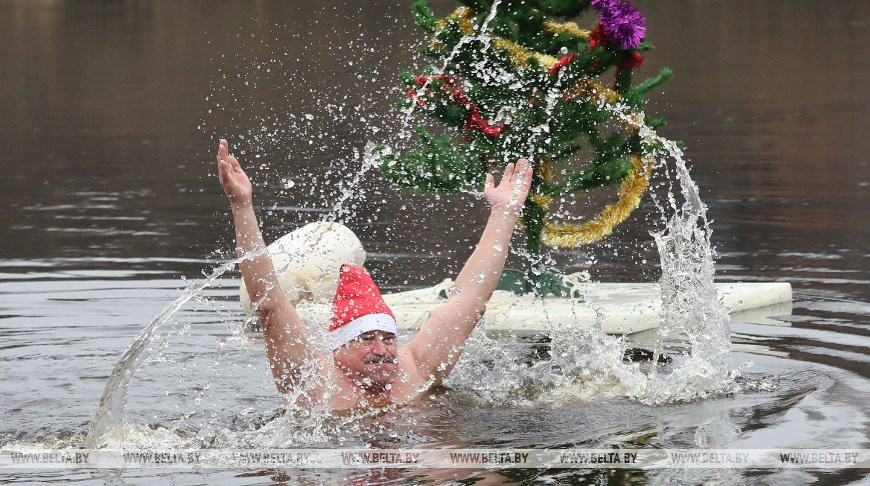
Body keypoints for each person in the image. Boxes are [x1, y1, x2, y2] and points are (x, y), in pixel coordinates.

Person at [216, 138, 532, 410]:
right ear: (338, 346)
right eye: (367, 339)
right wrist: (242, 206)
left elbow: (471, 297)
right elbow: (269, 304)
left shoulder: (416, 369)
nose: (382, 351)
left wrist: (504, 213)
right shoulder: (313, 379)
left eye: (388, 339)